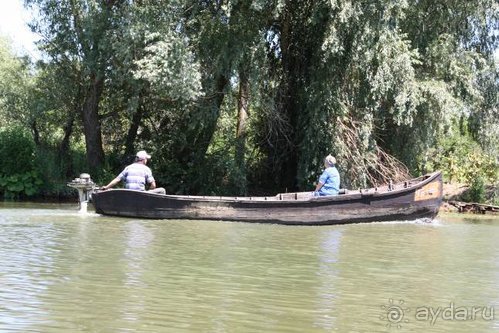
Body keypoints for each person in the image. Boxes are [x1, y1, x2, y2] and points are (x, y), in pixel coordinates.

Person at [102, 150, 166, 194]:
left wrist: (106, 187)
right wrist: (148, 191)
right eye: (146, 159)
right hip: (141, 194)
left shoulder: (128, 168)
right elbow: (153, 185)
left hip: (128, 193)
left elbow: (117, 179)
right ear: (143, 160)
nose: (147, 160)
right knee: (162, 190)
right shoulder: (146, 169)